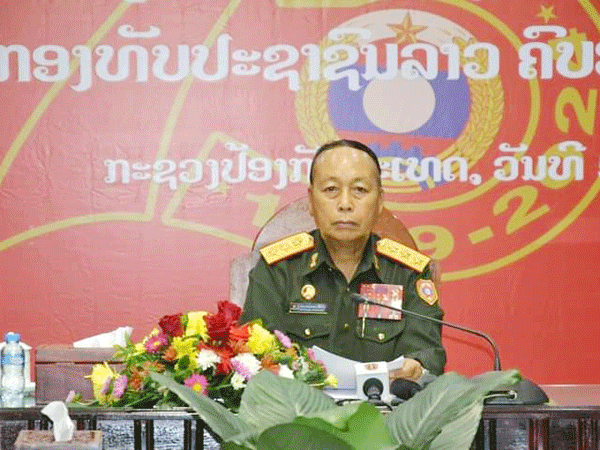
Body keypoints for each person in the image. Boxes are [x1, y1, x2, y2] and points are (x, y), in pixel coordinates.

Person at [240, 140, 446, 381]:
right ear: (311, 201)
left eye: (359, 190)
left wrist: (417, 366)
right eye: (331, 190)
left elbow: (427, 351)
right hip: (297, 403)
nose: (345, 204)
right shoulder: (278, 269)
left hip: (386, 403)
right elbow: (257, 354)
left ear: (380, 201)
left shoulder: (408, 272)